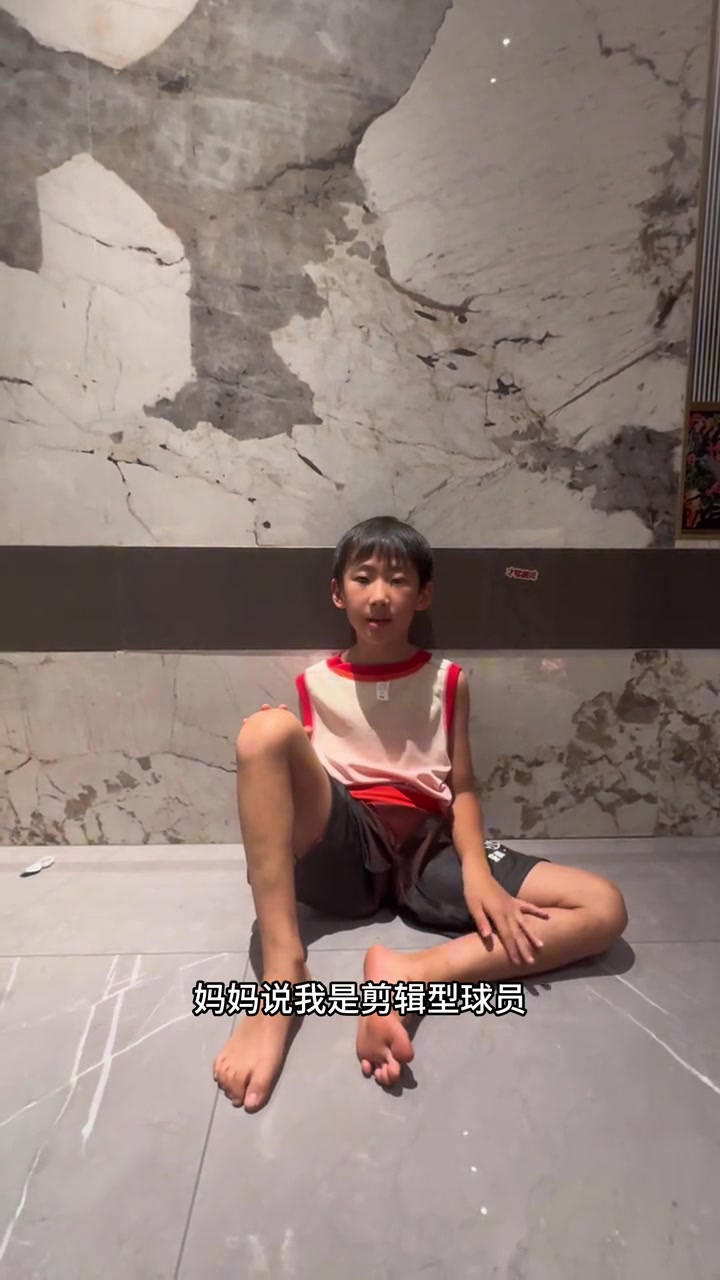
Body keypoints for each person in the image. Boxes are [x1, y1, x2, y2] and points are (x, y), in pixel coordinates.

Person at [213, 516, 628, 1110]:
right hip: (347, 840)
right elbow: (299, 795)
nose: (380, 595)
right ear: (338, 593)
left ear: (423, 594)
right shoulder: (313, 683)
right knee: (264, 731)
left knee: (604, 907)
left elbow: (463, 787)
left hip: (430, 847)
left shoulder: (447, 681)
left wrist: (478, 872)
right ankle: (282, 979)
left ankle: (411, 976)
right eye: (363, 578)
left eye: (398, 580)